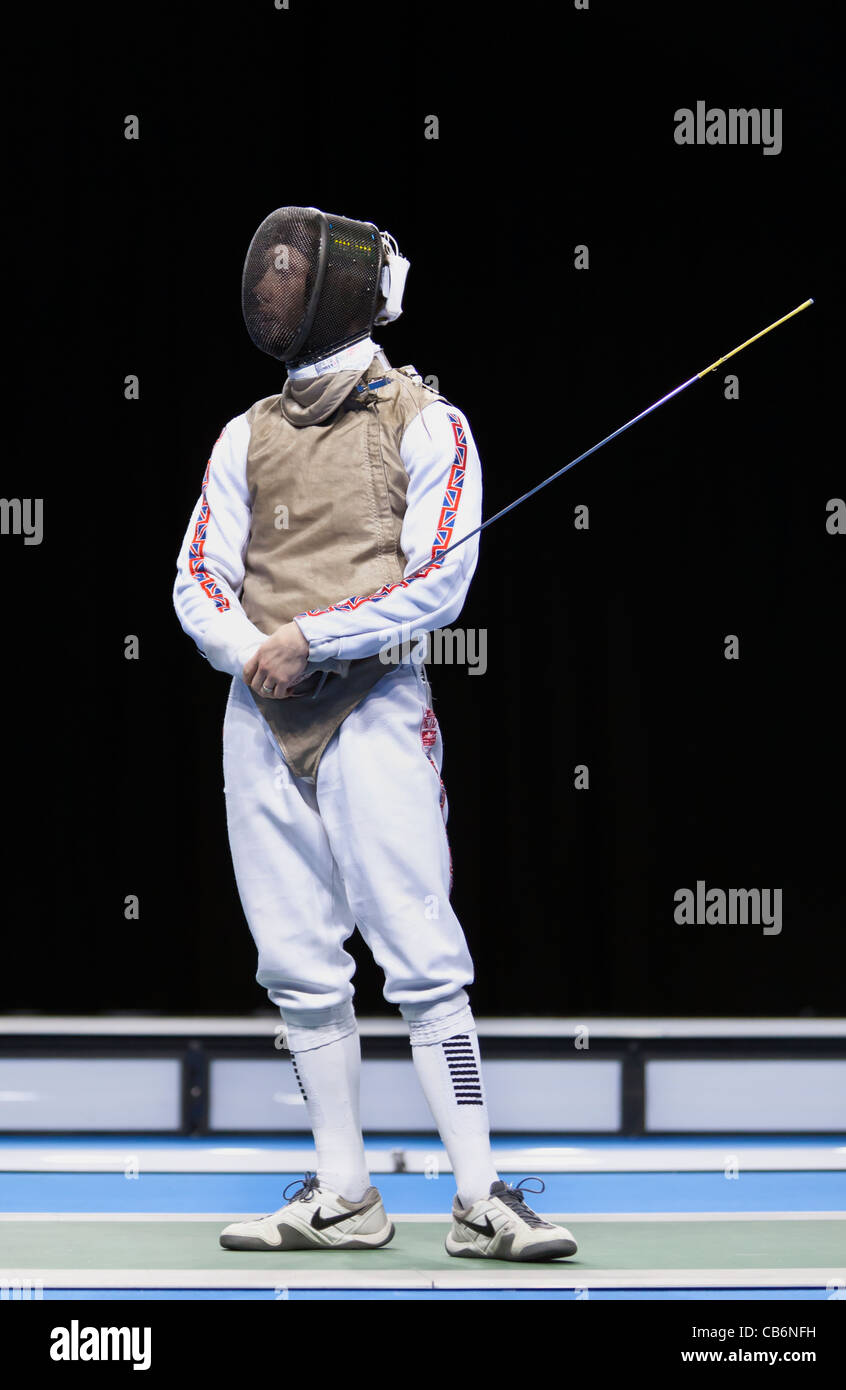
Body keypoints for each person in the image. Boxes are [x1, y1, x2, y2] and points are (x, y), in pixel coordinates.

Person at [172, 206, 577, 1262]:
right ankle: (344, 1195)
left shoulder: (425, 421)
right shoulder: (243, 434)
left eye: (297, 268)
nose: (279, 275)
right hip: (257, 721)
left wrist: (309, 637)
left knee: (421, 954)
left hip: (372, 709)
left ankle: (480, 1196)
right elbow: (195, 581)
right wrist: (249, 652)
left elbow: (438, 579)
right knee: (296, 964)